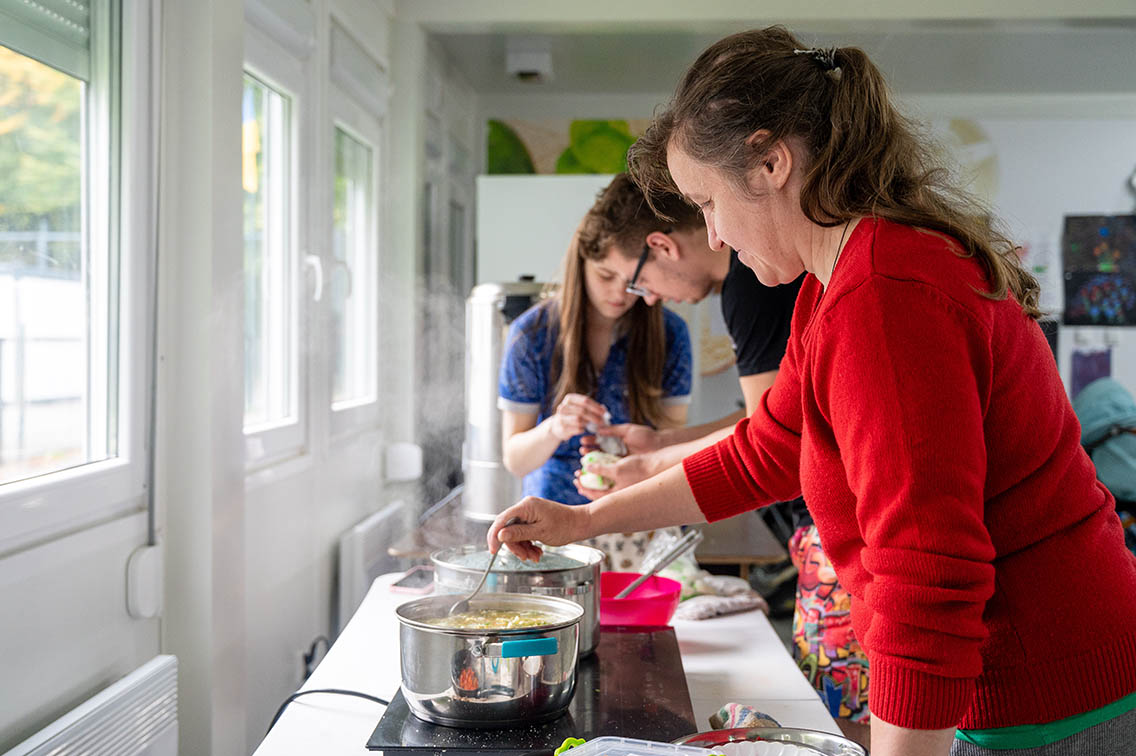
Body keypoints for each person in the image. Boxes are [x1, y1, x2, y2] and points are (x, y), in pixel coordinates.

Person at [488, 26, 1136, 756]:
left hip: (1055, 696)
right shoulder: (832, 287)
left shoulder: (884, 298)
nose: (717, 235)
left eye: (708, 202)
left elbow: (923, 572)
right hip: (1027, 683)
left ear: (771, 163)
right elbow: (767, 451)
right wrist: (585, 522)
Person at [568, 182, 871, 738]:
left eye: (635, 280)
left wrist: (641, 474)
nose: (647, 298)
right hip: (841, 530)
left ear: (661, 245)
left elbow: (773, 447)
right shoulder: (776, 280)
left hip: (846, 537)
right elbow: (777, 422)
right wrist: (657, 446)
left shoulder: (749, 287)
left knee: (851, 726)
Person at [497, 174, 693, 536]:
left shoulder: (670, 334)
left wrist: (632, 457)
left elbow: (673, 443)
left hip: (641, 516)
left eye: (632, 281)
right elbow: (515, 459)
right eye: (605, 276)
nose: (620, 293)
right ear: (581, 263)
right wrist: (554, 428)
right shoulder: (531, 334)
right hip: (553, 520)